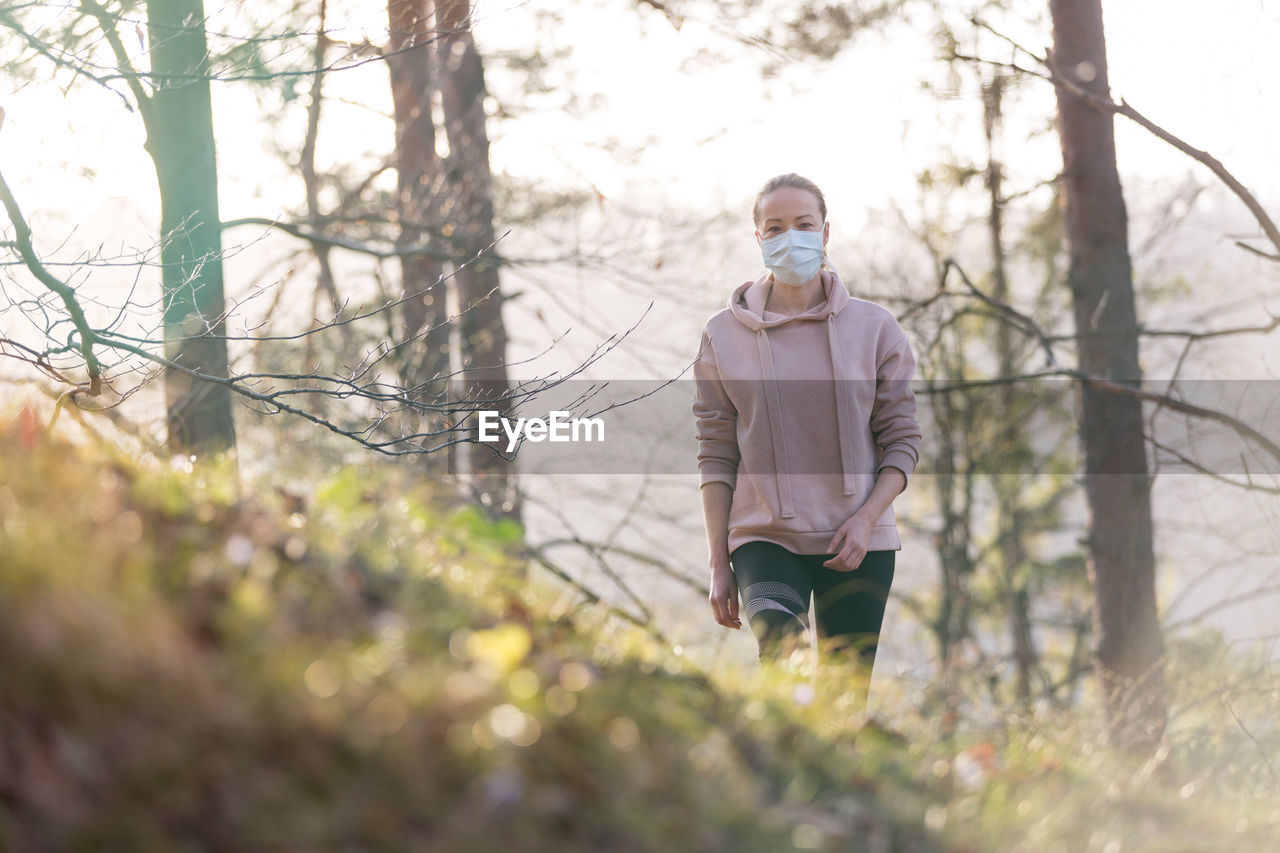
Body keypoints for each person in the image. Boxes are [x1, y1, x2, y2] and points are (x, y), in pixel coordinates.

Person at [691, 173, 922, 704]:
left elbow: (902, 441)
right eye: (775, 227)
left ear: (824, 233)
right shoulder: (722, 335)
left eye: (803, 224)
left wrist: (866, 520)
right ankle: (774, 788)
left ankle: (839, 787)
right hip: (763, 539)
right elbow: (715, 451)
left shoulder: (875, 328)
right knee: (783, 665)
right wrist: (718, 563)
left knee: (844, 697)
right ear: (758, 238)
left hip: (858, 542)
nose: (789, 236)